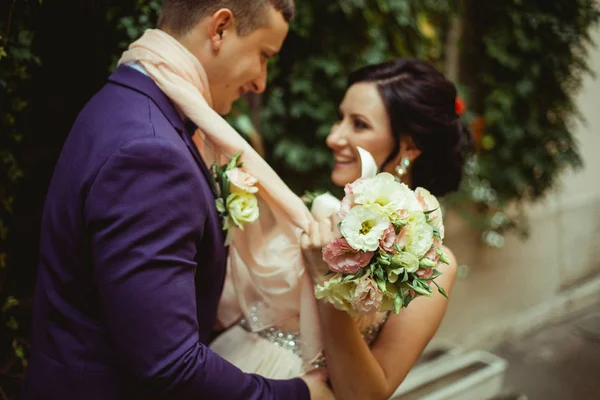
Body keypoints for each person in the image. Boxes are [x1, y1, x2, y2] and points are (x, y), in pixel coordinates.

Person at [20, 1, 332, 399]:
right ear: (220, 28)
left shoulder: (126, 100)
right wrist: (297, 395)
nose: (261, 83)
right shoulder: (151, 152)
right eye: (263, 56)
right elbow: (167, 364)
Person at [211, 58, 470, 400]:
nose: (334, 137)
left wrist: (327, 281)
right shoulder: (317, 211)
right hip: (223, 369)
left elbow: (367, 394)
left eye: (359, 124)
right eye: (340, 119)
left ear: (409, 145)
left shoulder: (431, 263)